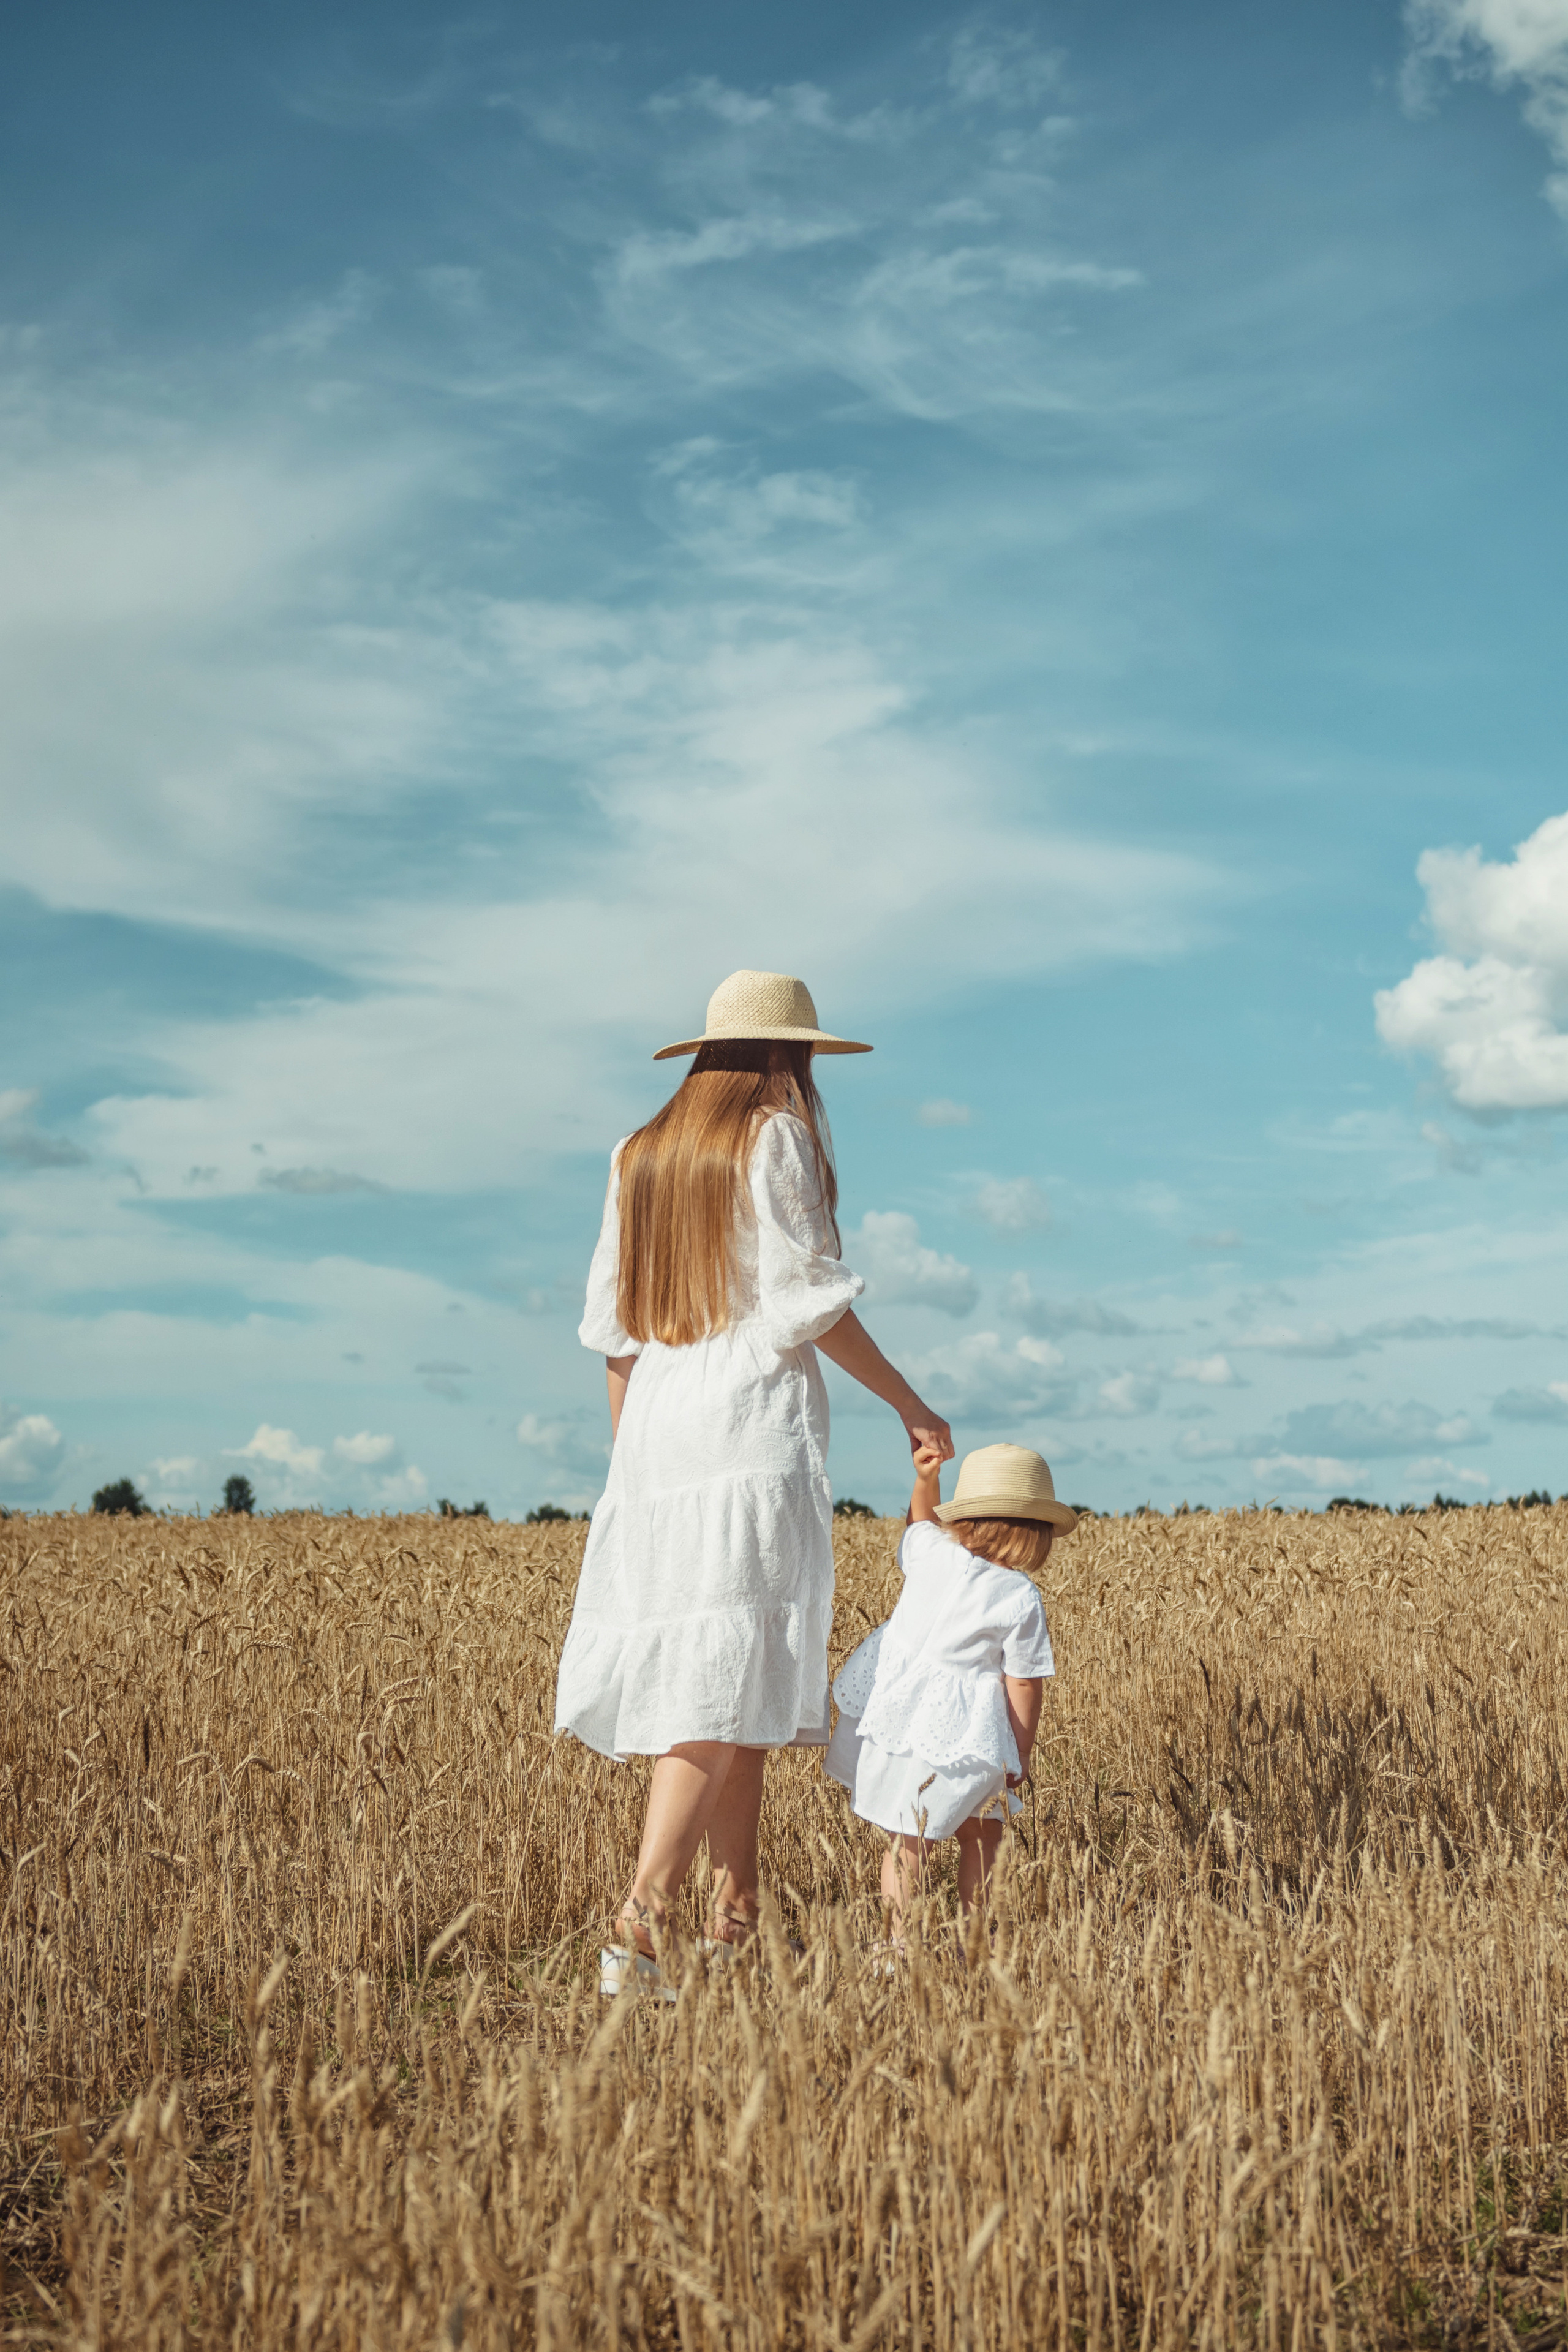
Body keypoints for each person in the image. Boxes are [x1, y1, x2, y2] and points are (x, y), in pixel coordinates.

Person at [552, 968, 955, 1990]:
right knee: (720, 1684)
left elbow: (615, 1336)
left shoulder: (638, 1154)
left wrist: (631, 1465)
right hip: (748, 1423)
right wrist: (909, 1401)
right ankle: (639, 1929)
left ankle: (736, 1922)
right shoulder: (773, 1134)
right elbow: (809, 1304)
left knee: (738, 1681)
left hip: (656, 1432)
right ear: (789, 1053)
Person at [826, 1441, 1076, 1931]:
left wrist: (926, 1479)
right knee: (985, 1835)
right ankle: (973, 1941)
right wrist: (1020, 1752)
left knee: (909, 1839)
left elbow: (919, 1523)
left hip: (900, 1720)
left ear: (964, 1516)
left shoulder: (932, 1550)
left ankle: (895, 1950)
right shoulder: (1020, 1595)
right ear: (1039, 1533)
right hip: (968, 1737)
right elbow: (1024, 1683)